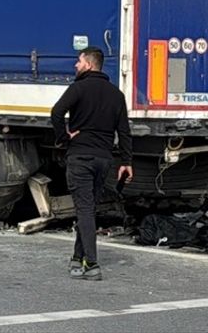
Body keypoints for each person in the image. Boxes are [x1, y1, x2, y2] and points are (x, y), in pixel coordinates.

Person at [50, 46, 133, 282]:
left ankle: (92, 264)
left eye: (78, 61)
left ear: (88, 64)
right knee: (87, 209)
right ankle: (77, 258)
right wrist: (126, 161)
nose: (76, 66)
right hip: (103, 160)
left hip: (80, 158)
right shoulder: (116, 95)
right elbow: (124, 132)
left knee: (85, 210)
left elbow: (56, 113)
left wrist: (64, 138)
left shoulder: (78, 88)